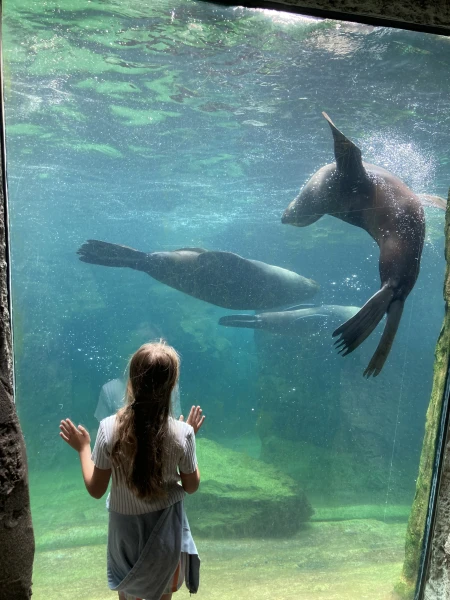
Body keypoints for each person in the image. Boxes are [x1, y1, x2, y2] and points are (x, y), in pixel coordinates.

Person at [60, 341, 205, 600]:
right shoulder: (183, 434)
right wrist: (190, 436)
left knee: (128, 591)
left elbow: (96, 489)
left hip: (124, 536)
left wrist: (83, 448)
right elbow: (191, 486)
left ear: (131, 382)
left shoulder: (107, 429)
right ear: (171, 387)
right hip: (165, 532)